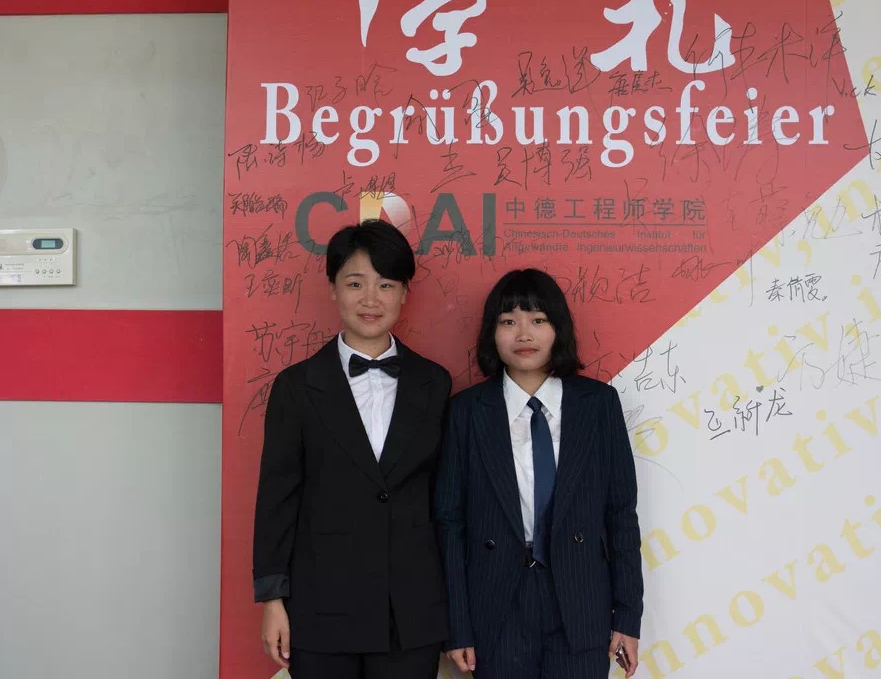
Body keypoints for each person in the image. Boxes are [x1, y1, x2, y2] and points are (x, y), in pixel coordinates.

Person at [252, 219, 452, 679]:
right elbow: (277, 498)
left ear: (405, 293)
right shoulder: (296, 386)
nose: (370, 299)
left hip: (412, 610)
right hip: (320, 606)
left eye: (386, 285)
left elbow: (446, 499)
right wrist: (273, 599)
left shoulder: (434, 383)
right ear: (333, 289)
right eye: (356, 283)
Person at [436, 268, 644, 679]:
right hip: (495, 605)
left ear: (558, 328)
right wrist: (457, 625)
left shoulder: (598, 404)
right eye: (508, 321)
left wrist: (628, 616)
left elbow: (621, 514)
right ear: (491, 333)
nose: (523, 334)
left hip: (581, 602)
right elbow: (449, 523)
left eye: (538, 319)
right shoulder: (467, 411)